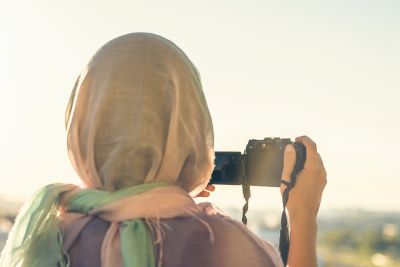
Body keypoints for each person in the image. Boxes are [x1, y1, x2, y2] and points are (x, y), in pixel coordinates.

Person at [0, 32, 326, 267]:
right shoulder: (230, 248)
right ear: (191, 124)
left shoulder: (45, 238)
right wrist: (303, 217)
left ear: (82, 122)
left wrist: (149, 204)